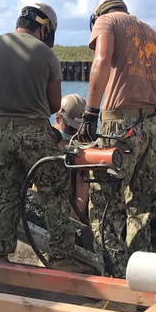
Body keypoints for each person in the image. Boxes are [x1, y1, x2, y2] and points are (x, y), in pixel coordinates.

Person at [77, 0, 156, 278]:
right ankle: (143, 280)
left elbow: (101, 61)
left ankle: (119, 284)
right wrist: (150, 117)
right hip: (152, 131)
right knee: (141, 213)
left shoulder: (107, 22)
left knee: (104, 213)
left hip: (120, 129)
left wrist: (89, 114)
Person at [0, 3, 85, 272]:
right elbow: (53, 105)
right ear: (45, 28)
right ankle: (61, 258)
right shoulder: (46, 55)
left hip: (1, 132)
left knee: (5, 195)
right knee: (54, 193)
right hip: (35, 132)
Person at [53, 93, 91, 221]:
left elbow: (82, 187)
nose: (74, 134)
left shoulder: (82, 146)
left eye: (78, 130)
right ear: (58, 119)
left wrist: (74, 221)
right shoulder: (45, 140)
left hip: (68, 205)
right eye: (70, 129)